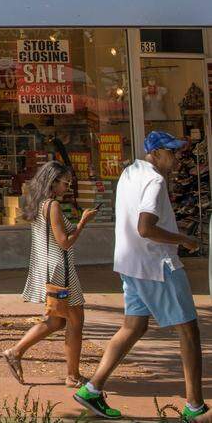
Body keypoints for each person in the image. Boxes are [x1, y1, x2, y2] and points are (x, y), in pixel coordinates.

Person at [74, 131, 204, 421]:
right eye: (171, 152)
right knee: (188, 332)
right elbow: (146, 227)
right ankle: (195, 407)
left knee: (133, 327)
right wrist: (184, 239)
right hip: (157, 265)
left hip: (130, 264)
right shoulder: (155, 180)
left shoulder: (129, 172)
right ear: (156, 153)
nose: (176, 157)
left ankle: (92, 389)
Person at [2, 161, 97, 387]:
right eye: (65, 183)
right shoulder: (52, 206)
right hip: (61, 272)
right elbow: (64, 243)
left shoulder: (38, 204)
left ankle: (15, 352)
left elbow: (58, 236)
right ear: (53, 182)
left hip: (50, 269)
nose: (68, 187)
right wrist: (83, 223)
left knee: (56, 321)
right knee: (75, 321)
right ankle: (72, 376)